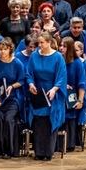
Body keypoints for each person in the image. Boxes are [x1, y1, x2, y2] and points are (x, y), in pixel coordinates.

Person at [25, 31, 66, 160]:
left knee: (49, 121)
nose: (39, 45)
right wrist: (31, 84)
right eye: (39, 43)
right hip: (38, 92)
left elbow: (61, 76)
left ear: (49, 42)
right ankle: (39, 152)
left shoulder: (58, 57)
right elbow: (29, 73)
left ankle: (48, 152)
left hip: (52, 93)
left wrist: (54, 89)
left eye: (42, 43)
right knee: (38, 122)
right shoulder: (34, 56)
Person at [0, 37, 25, 158]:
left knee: (8, 119)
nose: (2, 52)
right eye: (0, 49)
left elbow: (22, 80)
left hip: (12, 98)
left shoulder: (17, 63)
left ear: (10, 49)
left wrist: (12, 86)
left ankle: (9, 150)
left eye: (5, 49)